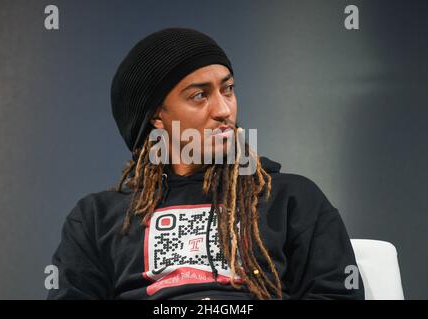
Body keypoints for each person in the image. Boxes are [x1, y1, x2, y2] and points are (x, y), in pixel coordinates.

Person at [47, 27, 364, 300]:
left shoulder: (291, 198)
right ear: (156, 116)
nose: (224, 109)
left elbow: (335, 293)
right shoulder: (96, 219)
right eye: (200, 95)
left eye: (228, 89)